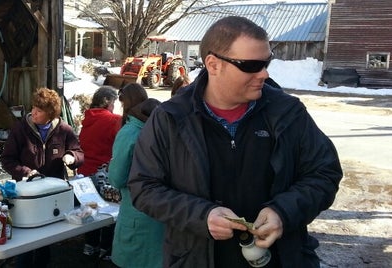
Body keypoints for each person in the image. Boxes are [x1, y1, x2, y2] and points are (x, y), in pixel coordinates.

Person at [127, 16, 343, 268]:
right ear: (213, 64)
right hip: (197, 258)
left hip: (281, 258)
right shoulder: (171, 117)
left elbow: (324, 173)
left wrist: (283, 212)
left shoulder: (287, 112)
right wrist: (201, 216)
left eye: (266, 63)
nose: (264, 73)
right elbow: (144, 188)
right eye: (251, 65)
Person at [0, 87, 83, 268]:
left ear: (50, 114)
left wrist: (71, 156)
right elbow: (6, 160)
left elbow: (79, 152)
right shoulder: (20, 129)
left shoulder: (64, 130)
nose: (33, 113)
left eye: (39, 111)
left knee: (46, 238)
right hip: (26, 195)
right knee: (26, 242)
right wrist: (26, 171)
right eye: (33, 109)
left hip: (52, 194)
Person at [107, 84, 164, 267]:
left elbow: (117, 178)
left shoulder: (130, 132)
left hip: (136, 214)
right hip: (161, 213)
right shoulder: (159, 128)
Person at [76, 86, 122, 260]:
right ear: (108, 101)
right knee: (109, 211)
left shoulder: (87, 119)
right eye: (114, 102)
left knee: (90, 210)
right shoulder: (114, 120)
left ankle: (90, 245)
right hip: (104, 173)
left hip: (85, 173)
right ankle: (106, 248)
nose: (114, 106)